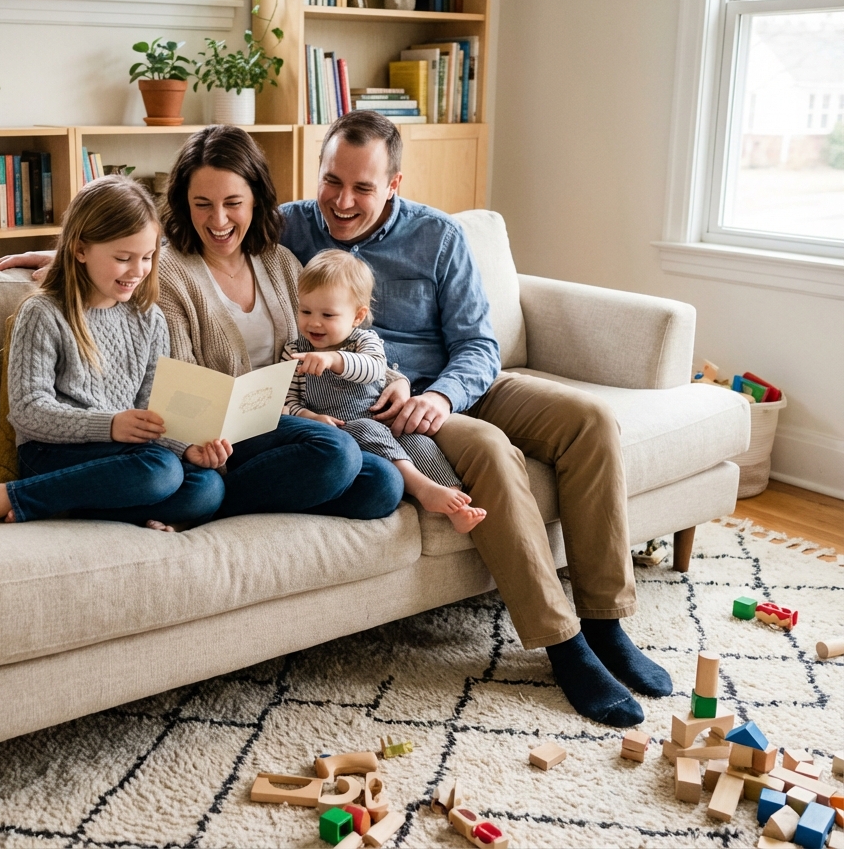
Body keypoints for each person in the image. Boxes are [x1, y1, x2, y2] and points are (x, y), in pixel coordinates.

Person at [279, 110, 673, 727]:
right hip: (384, 407)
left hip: (454, 388)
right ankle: (562, 643)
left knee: (590, 419)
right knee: (490, 449)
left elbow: (479, 346)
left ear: (395, 185)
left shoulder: (437, 237)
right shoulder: (290, 230)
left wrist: (444, 395)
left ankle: (605, 622)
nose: (343, 200)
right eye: (332, 181)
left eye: (363, 187)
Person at [0, 176, 227, 543]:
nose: (138, 271)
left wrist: (188, 447)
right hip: (51, 451)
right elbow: (28, 411)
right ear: (80, 249)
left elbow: (151, 417)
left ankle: (71, 503)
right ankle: (3, 497)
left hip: (122, 455)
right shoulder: (44, 312)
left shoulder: (150, 320)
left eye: (148, 257)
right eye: (123, 258)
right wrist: (109, 425)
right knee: (160, 471)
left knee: (208, 487)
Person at [155, 125, 404, 520]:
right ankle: (202, 506)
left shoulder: (281, 262)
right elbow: (177, 387)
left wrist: (395, 381)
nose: (218, 220)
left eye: (233, 202)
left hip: (288, 424)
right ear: (184, 204)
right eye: (202, 204)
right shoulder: (168, 275)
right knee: (337, 453)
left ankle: (233, 497)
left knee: (383, 485)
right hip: (223, 436)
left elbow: (331, 340)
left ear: (256, 200)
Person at [281, 250, 486, 534]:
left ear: (357, 316)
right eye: (305, 312)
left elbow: (374, 370)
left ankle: (454, 503)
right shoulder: (294, 352)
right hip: (345, 430)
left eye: (328, 315)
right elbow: (286, 401)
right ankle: (424, 490)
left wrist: (333, 359)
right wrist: (309, 416)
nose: (314, 323)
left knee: (420, 442)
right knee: (368, 430)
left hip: (383, 420)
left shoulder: (364, 341)